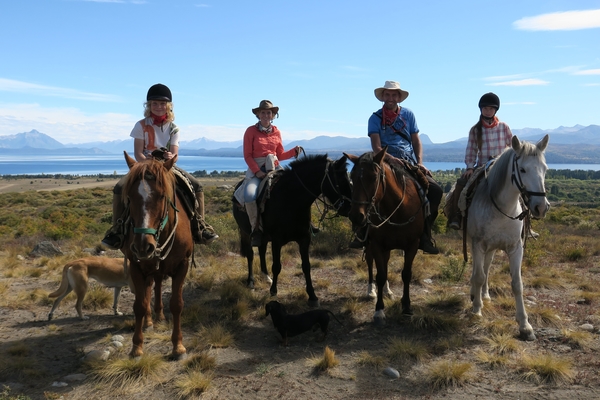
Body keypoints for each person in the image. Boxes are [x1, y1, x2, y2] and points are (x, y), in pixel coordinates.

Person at [101, 83, 218, 249]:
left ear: (168, 106)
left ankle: (200, 226)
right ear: (148, 106)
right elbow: (138, 153)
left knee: (197, 186)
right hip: (144, 166)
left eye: (162, 104)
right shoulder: (140, 125)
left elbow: (174, 154)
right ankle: (117, 230)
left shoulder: (173, 128)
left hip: (165, 167)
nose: (158, 107)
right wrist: (146, 165)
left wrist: (170, 157)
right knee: (119, 187)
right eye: (154, 103)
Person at [350, 80, 442, 254]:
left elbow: (415, 140)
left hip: (408, 161)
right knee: (365, 189)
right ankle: (362, 233)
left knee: (435, 191)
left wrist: (420, 162)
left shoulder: (409, 115)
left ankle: (425, 234)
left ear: (399, 97)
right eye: (387, 94)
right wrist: (391, 159)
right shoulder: (375, 118)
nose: (390, 98)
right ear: (382, 97)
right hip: (384, 161)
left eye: (394, 95)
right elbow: (377, 147)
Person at [447, 92, 512, 230]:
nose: (488, 111)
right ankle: (456, 216)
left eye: (491, 109)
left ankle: (525, 222)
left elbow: (512, 147)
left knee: (519, 187)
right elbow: (471, 149)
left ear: (495, 110)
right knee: (462, 185)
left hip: (501, 166)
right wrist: (470, 167)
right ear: (481, 109)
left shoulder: (504, 127)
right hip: (483, 166)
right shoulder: (475, 130)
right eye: (485, 108)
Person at [238, 100, 300, 247]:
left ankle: (303, 223)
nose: (266, 115)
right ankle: (256, 230)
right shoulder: (250, 131)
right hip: (257, 167)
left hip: (275, 165)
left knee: (295, 188)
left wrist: (293, 152)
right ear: (258, 114)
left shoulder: (277, 131)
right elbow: (247, 155)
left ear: (273, 115)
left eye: (269, 112)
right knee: (249, 194)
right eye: (263, 112)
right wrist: (257, 171)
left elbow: (280, 154)